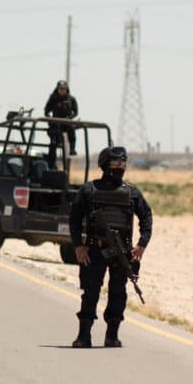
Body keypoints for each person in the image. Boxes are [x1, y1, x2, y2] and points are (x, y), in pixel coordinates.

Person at [68, 146, 153, 348]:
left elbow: (147, 216)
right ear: (105, 165)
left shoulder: (131, 192)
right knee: (91, 292)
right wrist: (78, 246)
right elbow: (74, 218)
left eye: (123, 163)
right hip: (94, 250)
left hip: (122, 251)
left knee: (118, 293)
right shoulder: (89, 190)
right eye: (116, 163)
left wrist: (142, 245)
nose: (120, 167)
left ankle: (112, 336)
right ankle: (84, 336)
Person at [44, 80, 79, 167]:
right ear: (57, 89)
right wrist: (51, 119)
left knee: (71, 130)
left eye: (64, 89)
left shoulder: (71, 99)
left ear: (66, 89)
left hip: (67, 122)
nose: (62, 90)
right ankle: (51, 163)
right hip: (56, 123)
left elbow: (76, 112)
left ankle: (72, 149)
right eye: (60, 89)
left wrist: (69, 118)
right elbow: (46, 111)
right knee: (53, 143)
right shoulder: (53, 98)